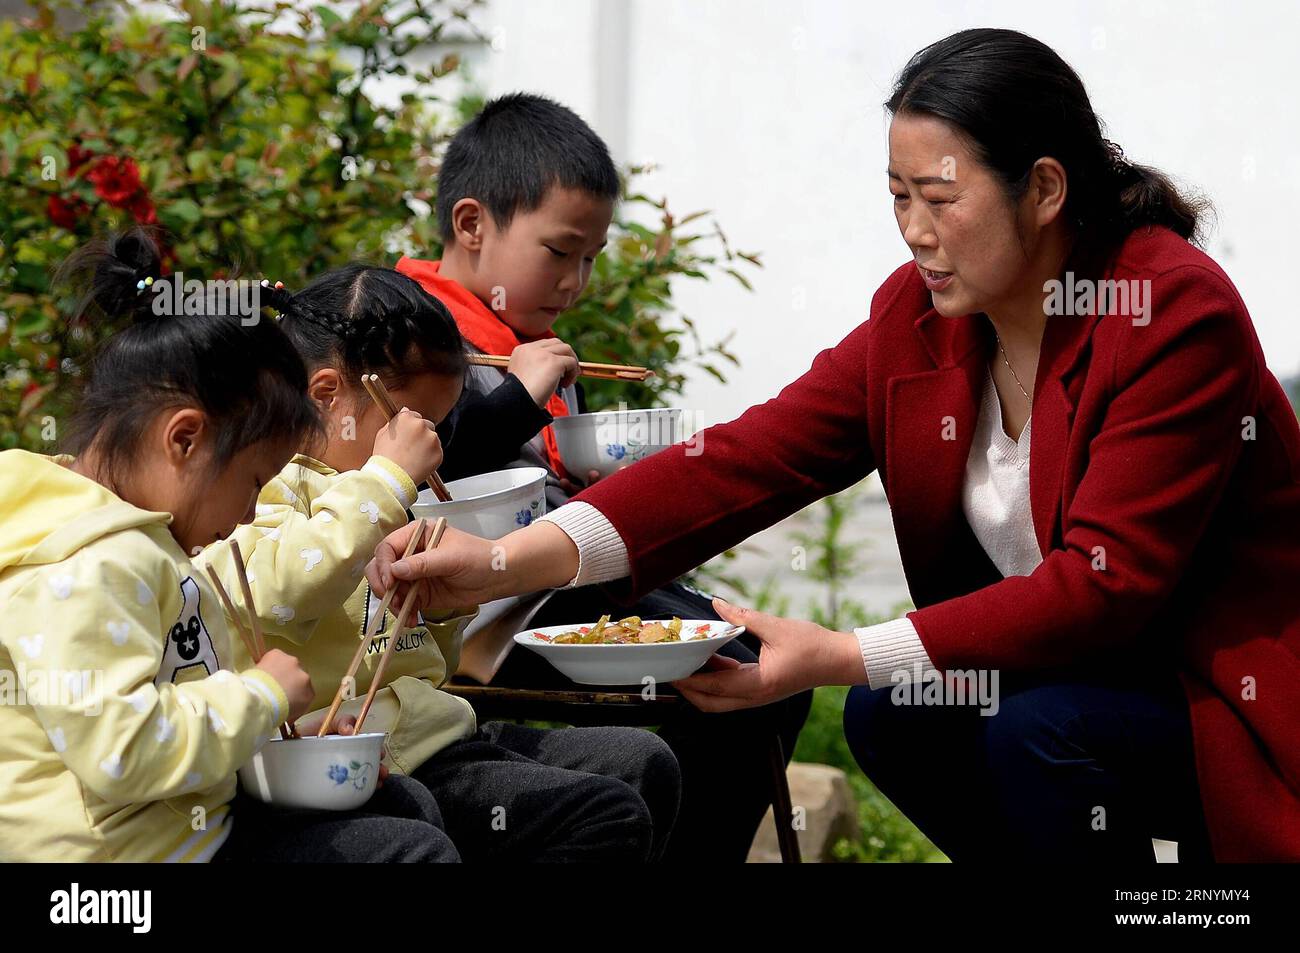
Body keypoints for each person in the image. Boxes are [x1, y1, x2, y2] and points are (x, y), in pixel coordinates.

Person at [368, 30, 1300, 862]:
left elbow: (1105, 585)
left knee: (1026, 727)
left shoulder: (1168, 310)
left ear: (1046, 188)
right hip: (1060, 678)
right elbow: (744, 459)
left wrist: (838, 648)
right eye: (897, 197)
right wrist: (497, 561)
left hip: (1212, 693)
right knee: (895, 714)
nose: (914, 233)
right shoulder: (920, 318)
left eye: (940, 199)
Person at [396, 92, 811, 862]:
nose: (576, 280)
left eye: (591, 258)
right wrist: (520, 396)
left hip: (559, 578)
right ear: (471, 224)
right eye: (559, 252)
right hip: (469, 607)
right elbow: (426, 460)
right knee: (739, 676)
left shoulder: (533, 342)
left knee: (756, 667)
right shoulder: (413, 330)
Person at [0, 230, 454, 862]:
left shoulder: (139, 542)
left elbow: (179, 706)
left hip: (190, 830)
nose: (248, 513)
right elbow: (122, 753)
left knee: (400, 816)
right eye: (251, 482)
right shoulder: (85, 564)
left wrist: (275, 738)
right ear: (184, 439)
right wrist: (260, 696)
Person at [201, 264, 679, 862]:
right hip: (344, 756)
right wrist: (385, 480)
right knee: (592, 813)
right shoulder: (264, 484)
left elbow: (425, 661)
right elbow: (279, 590)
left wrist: (445, 608)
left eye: (437, 421)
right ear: (327, 395)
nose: (430, 442)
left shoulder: (381, 490)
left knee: (641, 763)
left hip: (432, 730)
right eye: (410, 419)